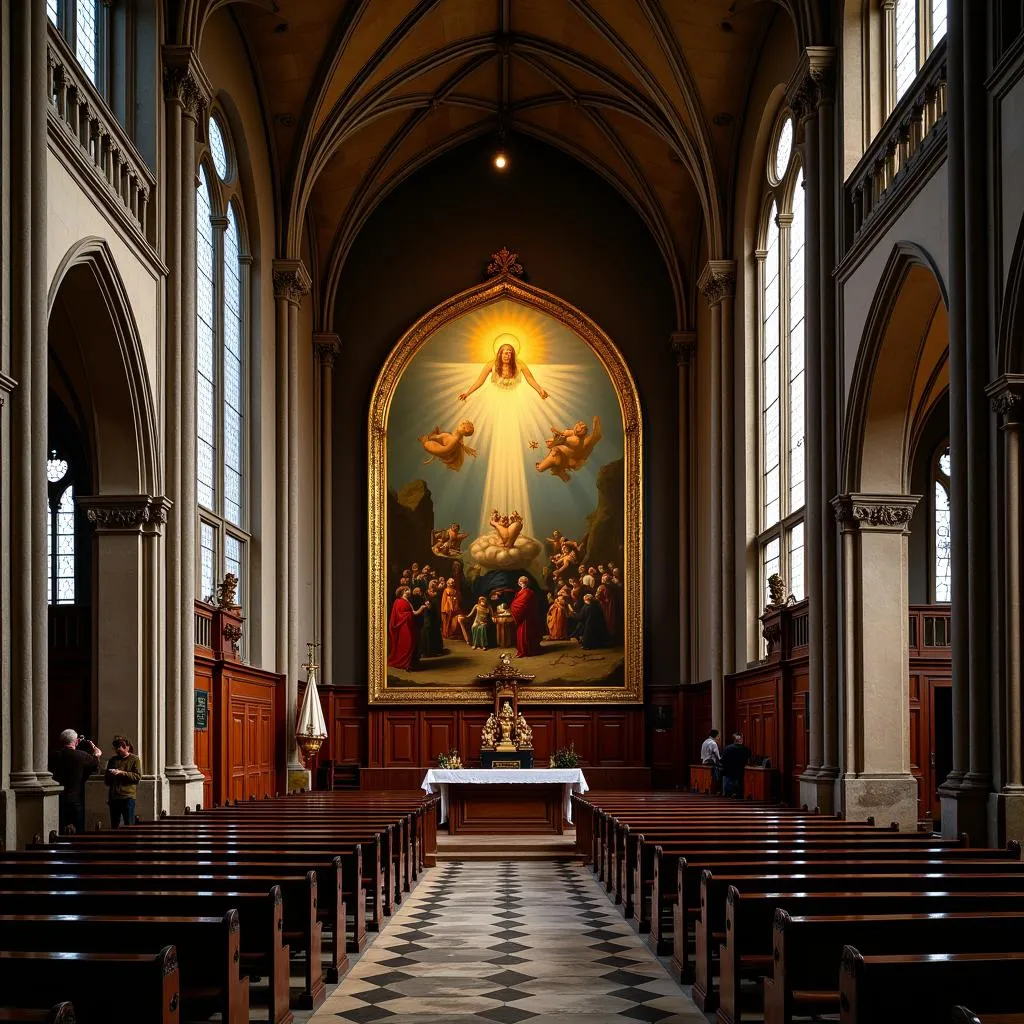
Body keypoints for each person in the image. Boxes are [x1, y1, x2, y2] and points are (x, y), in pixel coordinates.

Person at [49, 729, 101, 835]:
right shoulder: (81, 755)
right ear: (76, 741)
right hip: (74, 798)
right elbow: (95, 765)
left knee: (58, 830)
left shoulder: (54, 755)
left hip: (57, 798)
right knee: (78, 830)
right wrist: (96, 753)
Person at [104, 735, 142, 827]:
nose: (119, 749)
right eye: (117, 747)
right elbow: (107, 781)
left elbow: (137, 777)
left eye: (122, 747)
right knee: (114, 824)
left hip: (127, 796)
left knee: (128, 823)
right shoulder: (113, 760)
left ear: (127, 747)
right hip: (114, 796)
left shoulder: (134, 759)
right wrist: (111, 774)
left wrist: (121, 773)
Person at [387, 586, 427, 670]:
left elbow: (414, 613)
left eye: (408, 590)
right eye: (406, 590)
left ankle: (412, 663)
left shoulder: (407, 601)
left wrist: (421, 608)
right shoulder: (398, 602)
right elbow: (401, 615)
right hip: (404, 627)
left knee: (413, 643)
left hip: (410, 625)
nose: (409, 591)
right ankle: (406, 664)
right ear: (402, 592)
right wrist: (410, 614)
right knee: (407, 644)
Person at [720, 732, 752, 798]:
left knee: (728, 789)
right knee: (740, 788)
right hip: (741, 771)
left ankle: (728, 797)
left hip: (729, 771)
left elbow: (722, 760)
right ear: (741, 740)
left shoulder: (727, 748)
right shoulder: (746, 749)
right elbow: (749, 760)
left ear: (734, 739)